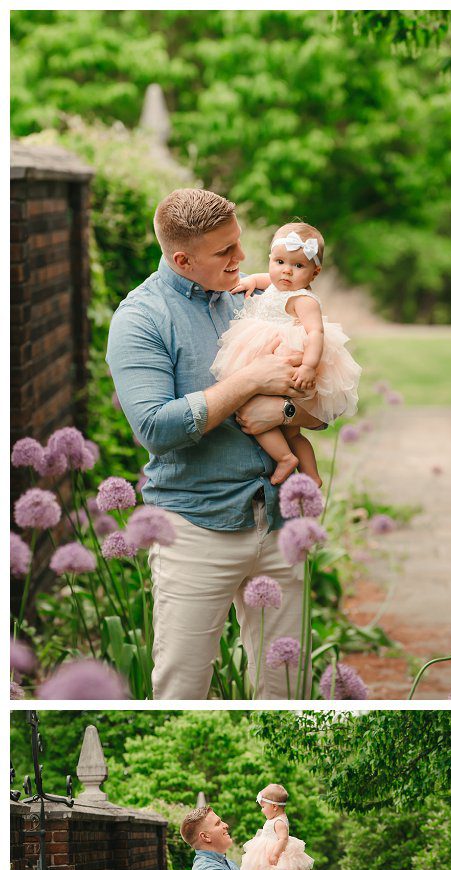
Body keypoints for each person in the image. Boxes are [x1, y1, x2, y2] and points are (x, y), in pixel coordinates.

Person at [106, 188, 323, 699]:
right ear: (182, 259)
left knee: (287, 691)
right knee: (182, 689)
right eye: (225, 251)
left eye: (239, 243)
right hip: (195, 529)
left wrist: (287, 409)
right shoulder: (140, 319)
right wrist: (249, 383)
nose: (242, 259)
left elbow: (318, 406)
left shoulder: (261, 300)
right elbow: (156, 428)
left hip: (279, 522)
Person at [216, 222, 363, 486]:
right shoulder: (277, 283)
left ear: (314, 273)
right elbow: (265, 279)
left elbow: (316, 333)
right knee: (289, 431)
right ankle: (311, 476)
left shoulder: (303, 300)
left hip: (287, 358)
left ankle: (287, 459)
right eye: (280, 261)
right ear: (271, 260)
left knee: (255, 412)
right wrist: (250, 280)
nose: (286, 271)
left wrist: (308, 366)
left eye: (298, 266)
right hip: (264, 351)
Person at [239, 783, 316, 870]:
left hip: (277, 854)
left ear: (274, 807)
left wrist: (275, 854)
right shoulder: (275, 818)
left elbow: (283, 839)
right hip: (269, 850)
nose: (262, 811)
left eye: (263, 807)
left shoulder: (279, 821)